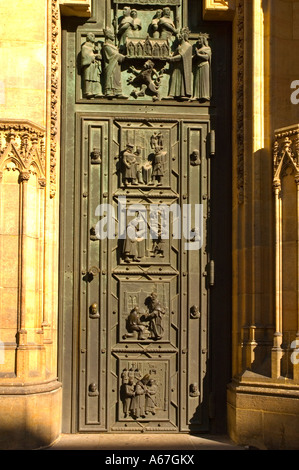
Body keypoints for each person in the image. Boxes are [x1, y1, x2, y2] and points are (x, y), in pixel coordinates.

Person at [102, 27, 127, 98]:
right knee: (111, 77)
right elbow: (113, 55)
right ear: (108, 35)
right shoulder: (106, 46)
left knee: (116, 78)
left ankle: (118, 92)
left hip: (116, 65)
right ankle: (109, 91)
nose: (113, 35)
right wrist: (122, 56)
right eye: (112, 34)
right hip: (111, 66)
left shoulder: (113, 46)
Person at [168, 28, 192, 99]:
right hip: (177, 66)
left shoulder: (187, 45)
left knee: (181, 80)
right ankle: (172, 94)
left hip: (183, 67)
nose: (179, 36)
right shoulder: (179, 46)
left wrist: (172, 59)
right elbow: (174, 54)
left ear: (184, 36)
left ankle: (183, 94)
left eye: (180, 34)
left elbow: (181, 56)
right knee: (174, 78)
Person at [80, 33, 102, 98]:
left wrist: (98, 53)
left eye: (94, 36)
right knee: (88, 78)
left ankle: (96, 91)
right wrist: (94, 56)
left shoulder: (94, 48)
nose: (94, 37)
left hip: (94, 65)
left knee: (95, 78)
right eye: (92, 36)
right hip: (88, 65)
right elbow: (85, 56)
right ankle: (88, 91)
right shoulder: (85, 47)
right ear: (88, 37)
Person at [192, 33, 212, 101]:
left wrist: (198, 54)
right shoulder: (199, 49)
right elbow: (194, 58)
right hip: (198, 66)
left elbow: (206, 57)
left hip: (204, 65)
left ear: (203, 40)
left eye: (200, 39)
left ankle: (205, 95)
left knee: (204, 81)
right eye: (198, 39)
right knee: (197, 81)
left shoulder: (207, 48)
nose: (198, 41)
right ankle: (196, 95)